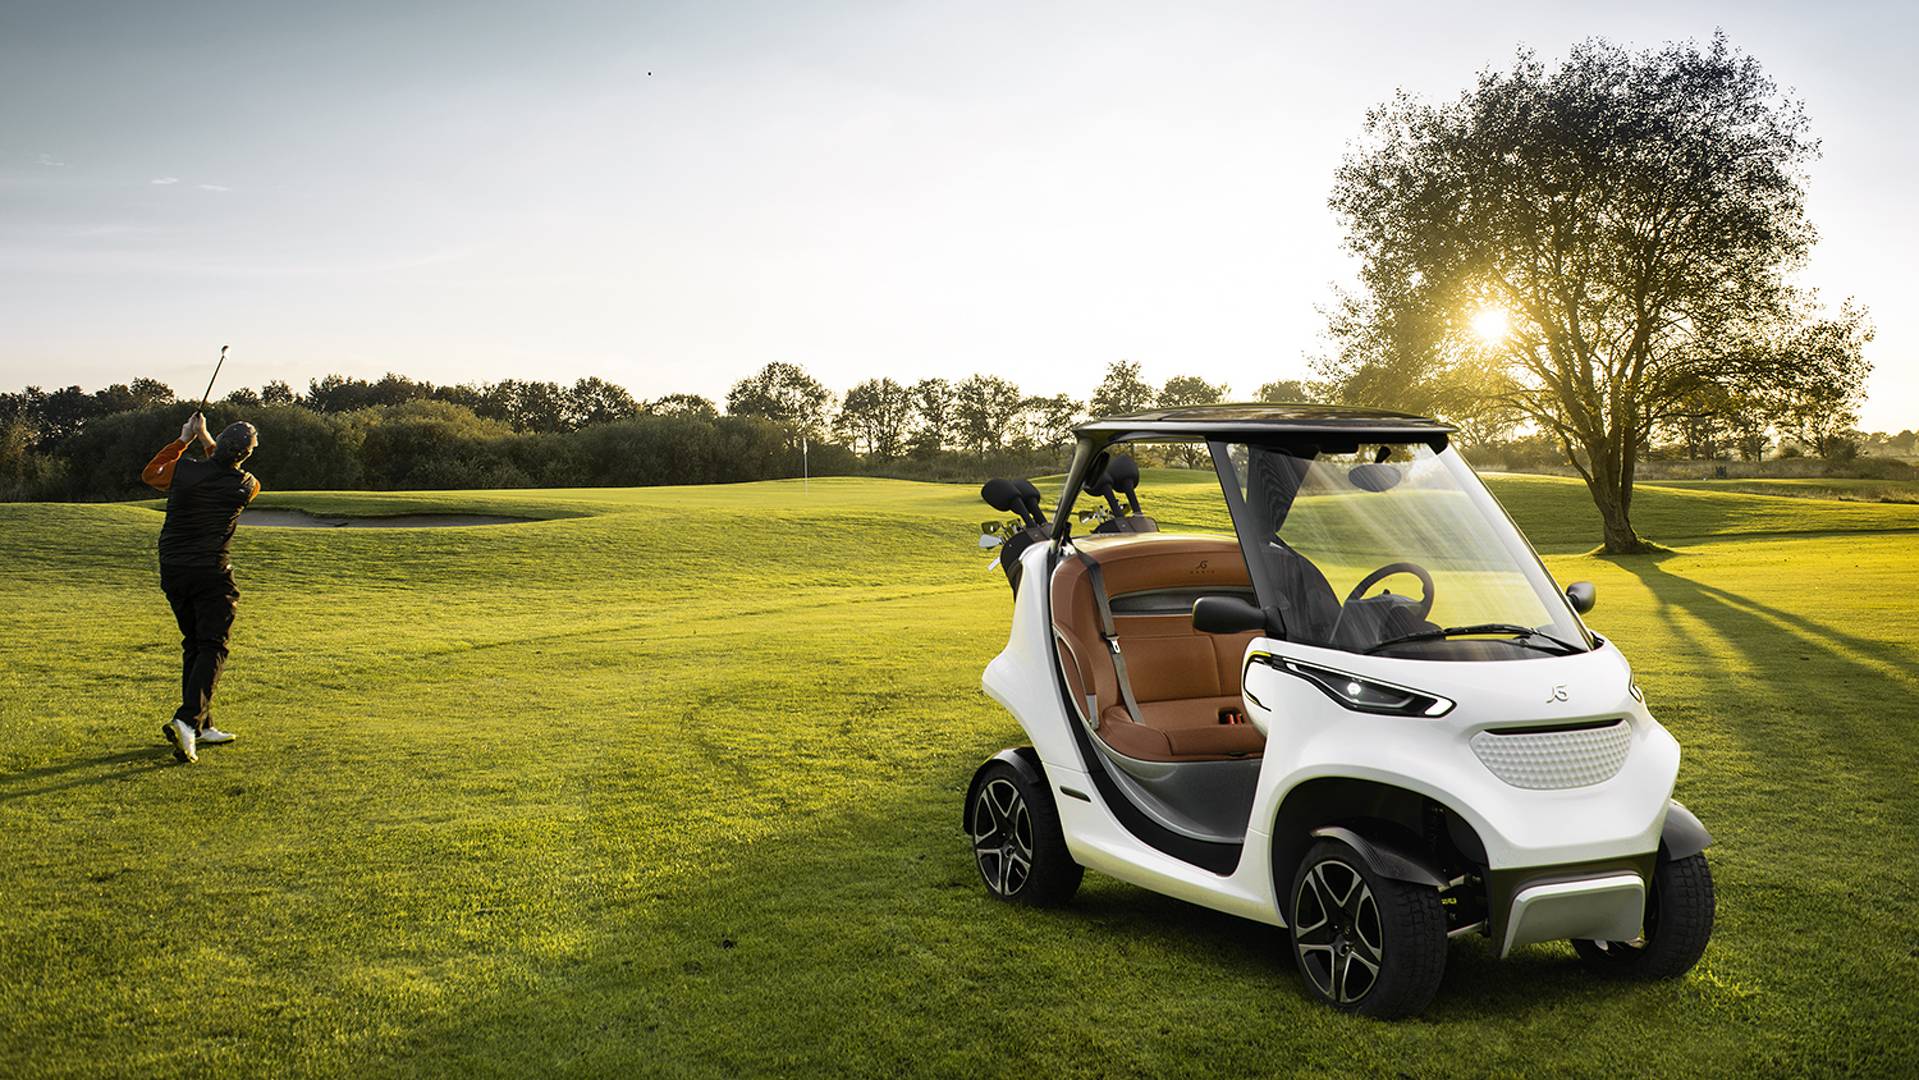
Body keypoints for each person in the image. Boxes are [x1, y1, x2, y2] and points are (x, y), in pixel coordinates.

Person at [141, 412, 262, 763]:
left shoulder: (184, 471)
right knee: (213, 645)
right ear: (246, 454)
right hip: (211, 573)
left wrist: (185, 439)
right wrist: (207, 439)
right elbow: (223, 464)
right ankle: (187, 720)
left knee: (194, 644)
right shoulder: (246, 485)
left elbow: (151, 474)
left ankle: (203, 724)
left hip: (174, 570)